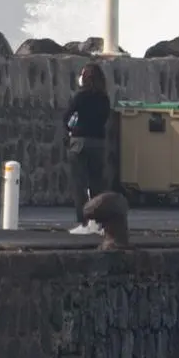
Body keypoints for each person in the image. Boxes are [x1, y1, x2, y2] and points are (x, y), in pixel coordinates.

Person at [66, 63, 114, 235]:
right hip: (98, 143)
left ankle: (85, 222)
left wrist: (70, 130)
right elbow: (105, 119)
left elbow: (67, 116)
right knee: (97, 184)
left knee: (79, 184)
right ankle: (99, 222)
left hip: (80, 141)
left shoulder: (81, 96)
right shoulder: (104, 98)